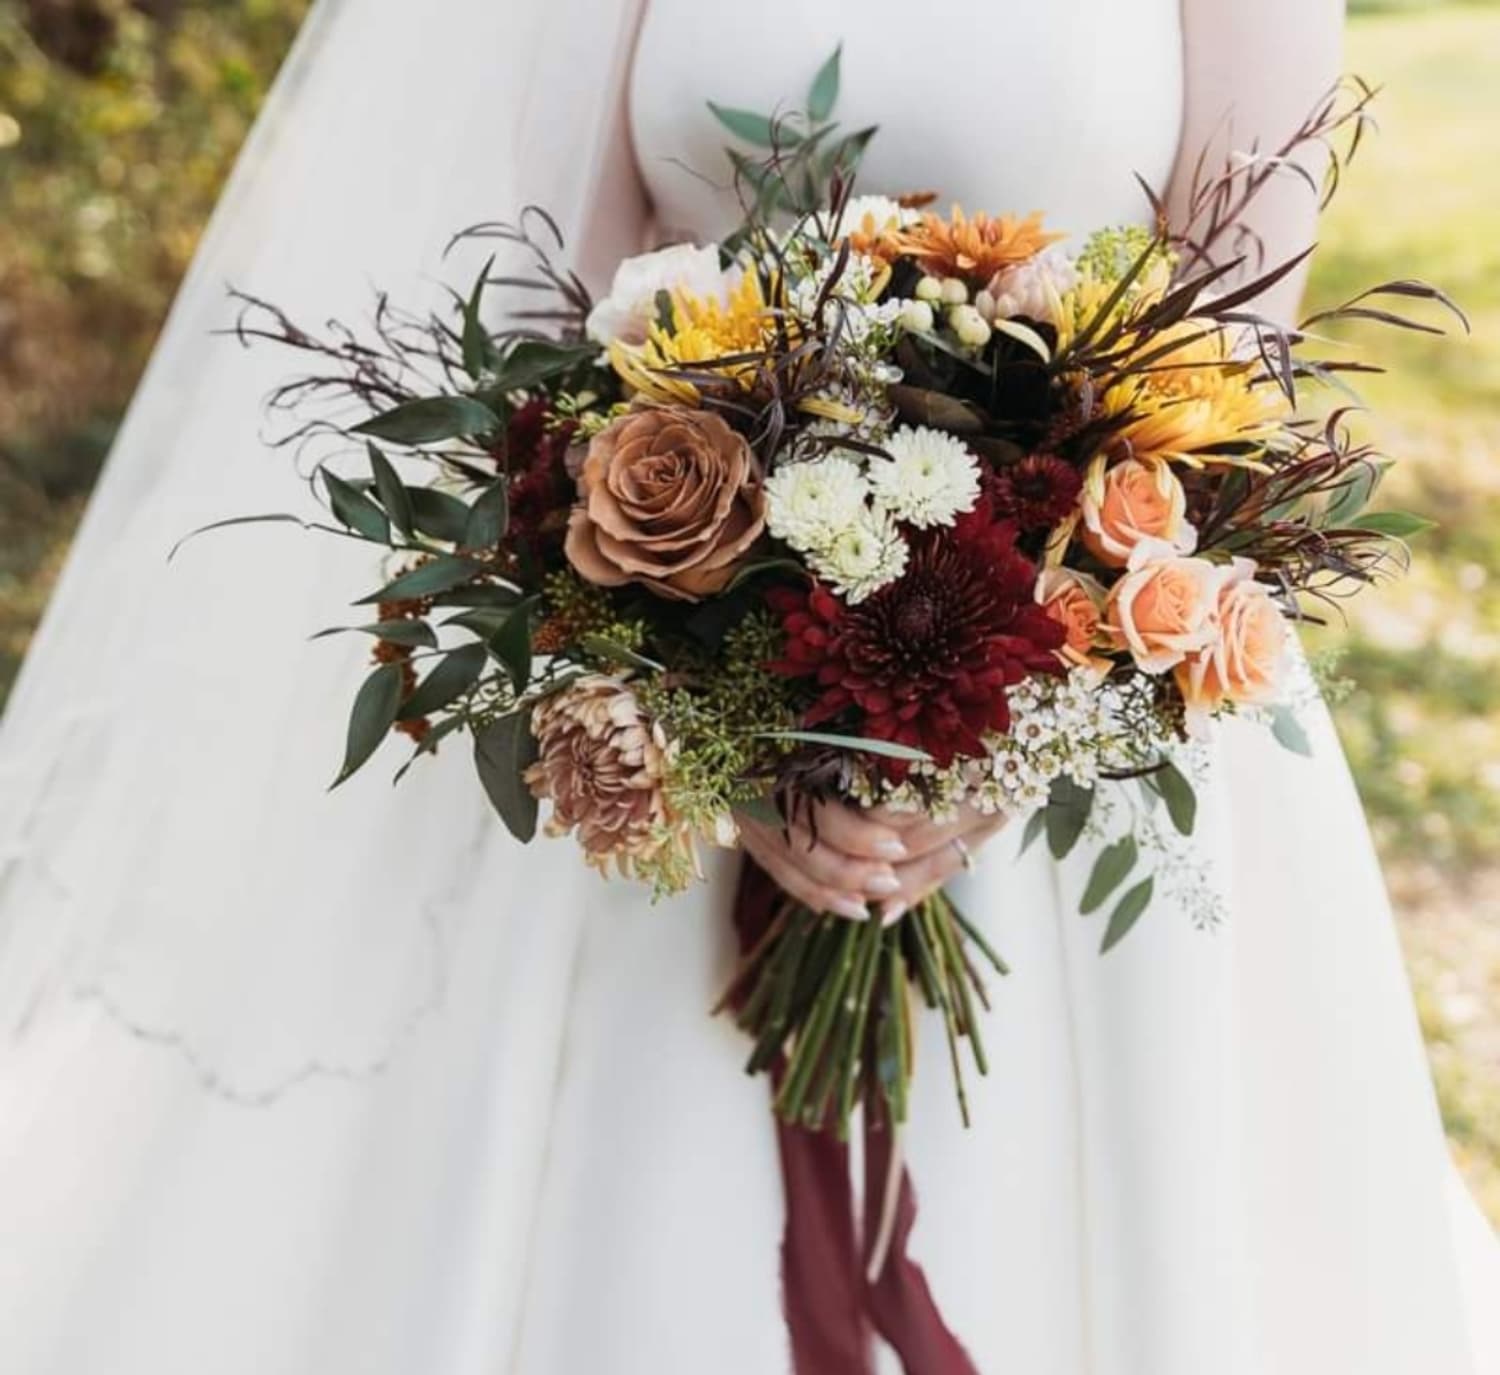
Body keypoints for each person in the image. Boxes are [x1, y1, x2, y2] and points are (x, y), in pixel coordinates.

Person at [0, 2, 1495, 1372]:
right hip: (679, 656)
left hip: (1080, 689)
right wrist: (725, 728)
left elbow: (1236, 348)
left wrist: (982, 759)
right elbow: (551, 319)